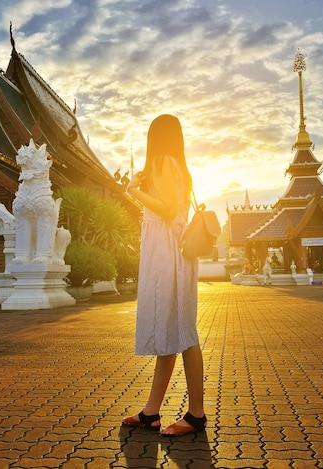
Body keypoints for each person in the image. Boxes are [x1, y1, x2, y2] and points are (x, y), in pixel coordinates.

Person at [121, 114, 206, 437]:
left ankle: (196, 415)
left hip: (167, 255)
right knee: (175, 330)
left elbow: (168, 209)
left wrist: (133, 190)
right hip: (176, 253)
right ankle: (151, 412)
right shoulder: (178, 165)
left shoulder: (161, 161)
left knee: (183, 332)